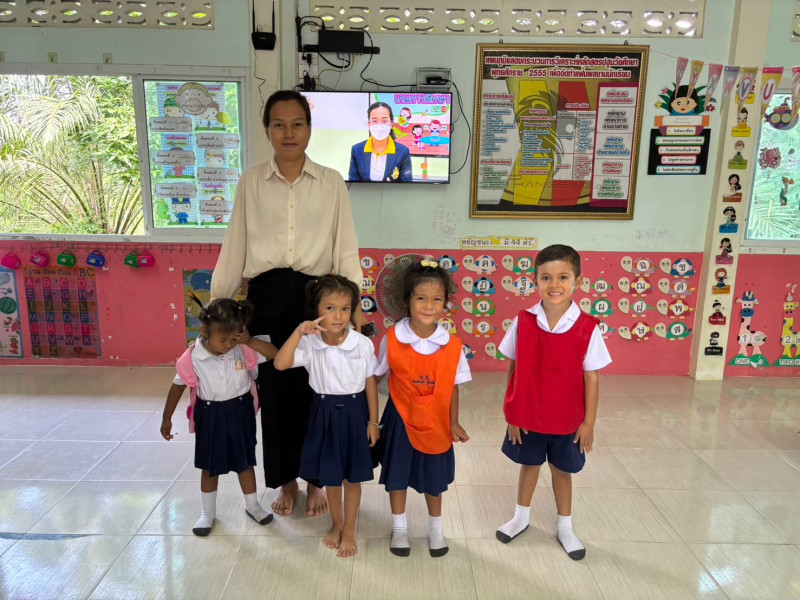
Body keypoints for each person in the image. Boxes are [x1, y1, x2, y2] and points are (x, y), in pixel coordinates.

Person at [210, 90, 365, 518]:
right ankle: (286, 481)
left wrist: (354, 307)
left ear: (309, 129)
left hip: (318, 299)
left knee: (318, 391)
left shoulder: (331, 181)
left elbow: (345, 245)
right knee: (276, 394)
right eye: (278, 125)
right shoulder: (251, 181)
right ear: (267, 131)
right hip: (265, 297)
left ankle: (316, 480)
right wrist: (217, 306)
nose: (288, 133)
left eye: (297, 124)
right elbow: (235, 243)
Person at [495, 244, 611, 560]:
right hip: (528, 415)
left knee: (562, 471)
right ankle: (520, 517)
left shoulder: (588, 327)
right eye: (546, 277)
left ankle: (565, 527)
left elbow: (592, 378)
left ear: (578, 281)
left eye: (563, 277)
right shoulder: (523, 320)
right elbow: (513, 368)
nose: (554, 285)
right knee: (529, 465)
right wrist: (512, 413)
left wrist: (589, 423)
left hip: (567, 420)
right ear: (535, 280)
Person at [274, 275, 379, 558]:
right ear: (316, 310)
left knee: (352, 478)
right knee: (332, 477)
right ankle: (337, 524)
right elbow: (280, 363)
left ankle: (350, 530)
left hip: (355, 413)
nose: (338, 316)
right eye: (330, 308)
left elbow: (370, 382)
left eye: (345, 309)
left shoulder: (361, 343)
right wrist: (299, 332)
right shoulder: (310, 343)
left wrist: (373, 422)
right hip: (324, 414)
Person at [375, 258, 471, 558]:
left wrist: (454, 422)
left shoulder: (453, 345)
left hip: (437, 421)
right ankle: (399, 529)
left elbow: (453, 386)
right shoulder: (392, 339)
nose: (429, 306)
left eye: (437, 299)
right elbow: (374, 376)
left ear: (445, 303)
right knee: (397, 475)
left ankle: (435, 529)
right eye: (421, 298)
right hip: (399, 419)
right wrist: (368, 418)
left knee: (434, 478)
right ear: (407, 300)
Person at [160, 295, 278, 536]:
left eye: (233, 339)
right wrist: (166, 418)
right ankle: (208, 513)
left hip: (241, 411)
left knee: (245, 462)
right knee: (210, 467)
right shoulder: (193, 357)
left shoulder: (243, 348)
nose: (229, 345)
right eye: (223, 340)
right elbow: (178, 386)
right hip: (210, 415)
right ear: (204, 331)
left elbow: (275, 354)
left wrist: (249, 340)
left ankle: (253, 505)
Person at [348, 102, 413, 182]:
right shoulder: (357, 150)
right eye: (374, 121)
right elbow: (353, 183)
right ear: (369, 124)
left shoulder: (403, 152)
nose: (379, 125)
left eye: (384, 121)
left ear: (391, 124)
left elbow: (407, 184)